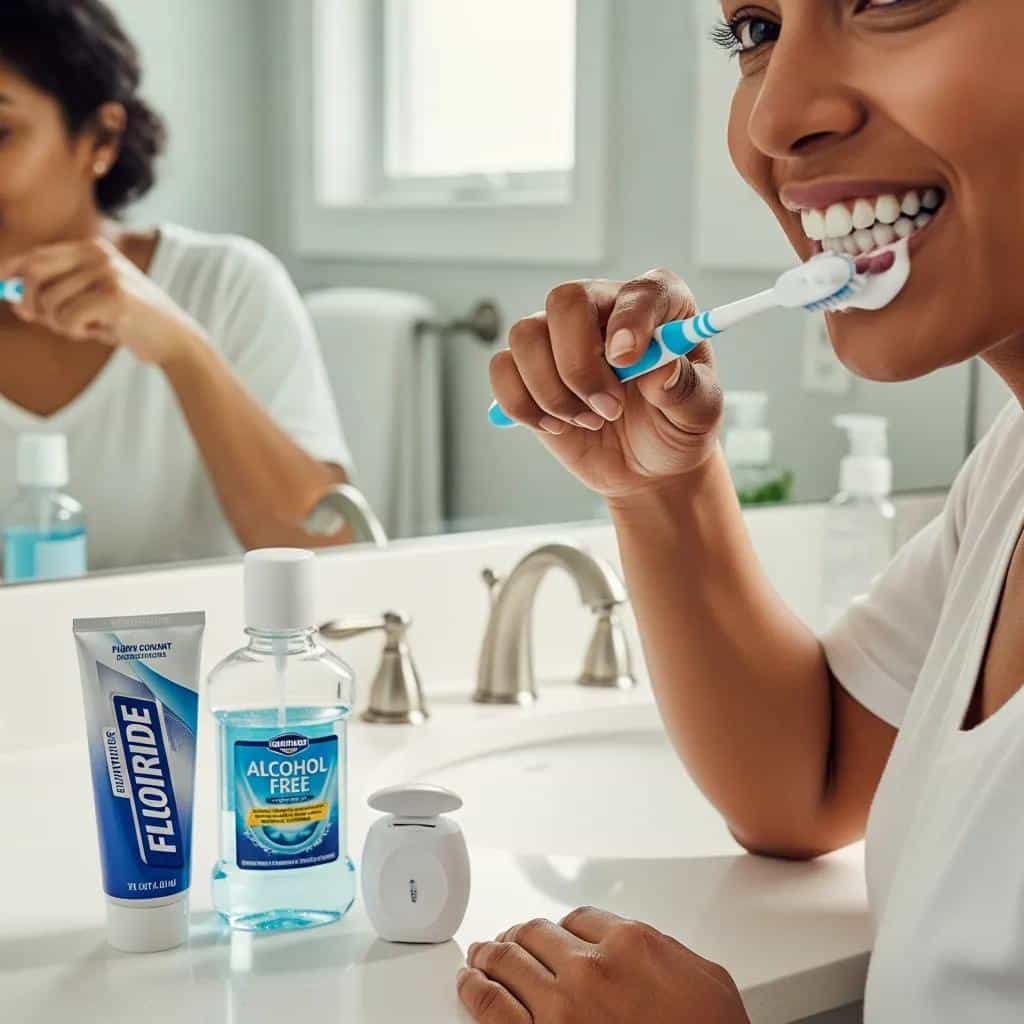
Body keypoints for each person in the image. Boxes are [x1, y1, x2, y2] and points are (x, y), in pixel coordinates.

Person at [462, 1, 1024, 1021]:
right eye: (754, 30)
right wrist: (660, 487)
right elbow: (805, 780)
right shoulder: (1013, 469)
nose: (772, 119)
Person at [0, 0, 354, 572]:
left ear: (101, 138)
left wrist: (181, 349)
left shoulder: (226, 286)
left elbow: (329, 560)